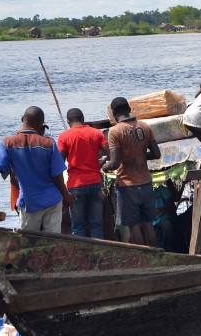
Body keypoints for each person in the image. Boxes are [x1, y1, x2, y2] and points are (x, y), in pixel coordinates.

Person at [0, 106, 71, 232]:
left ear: (23, 119)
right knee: (53, 242)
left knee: (29, 242)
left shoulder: (8, 143)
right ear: (40, 124)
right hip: (52, 201)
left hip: (30, 203)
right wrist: (65, 195)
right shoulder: (49, 144)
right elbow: (57, 175)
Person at [103, 96, 160, 247]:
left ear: (114, 114)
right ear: (129, 110)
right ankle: (156, 256)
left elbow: (114, 163)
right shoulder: (145, 127)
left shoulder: (114, 132)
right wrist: (140, 155)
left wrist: (104, 166)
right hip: (146, 183)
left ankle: (143, 259)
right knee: (148, 224)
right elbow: (156, 154)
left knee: (134, 226)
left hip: (127, 185)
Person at [56, 108, 108, 238]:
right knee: (96, 225)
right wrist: (100, 164)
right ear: (83, 119)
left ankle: (81, 257)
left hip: (76, 185)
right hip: (95, 182)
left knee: (78, 227)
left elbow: (59, 163)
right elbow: (111, 154)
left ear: (68, 121)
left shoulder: (64, 136)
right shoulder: (96, 133)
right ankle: (98, 255)